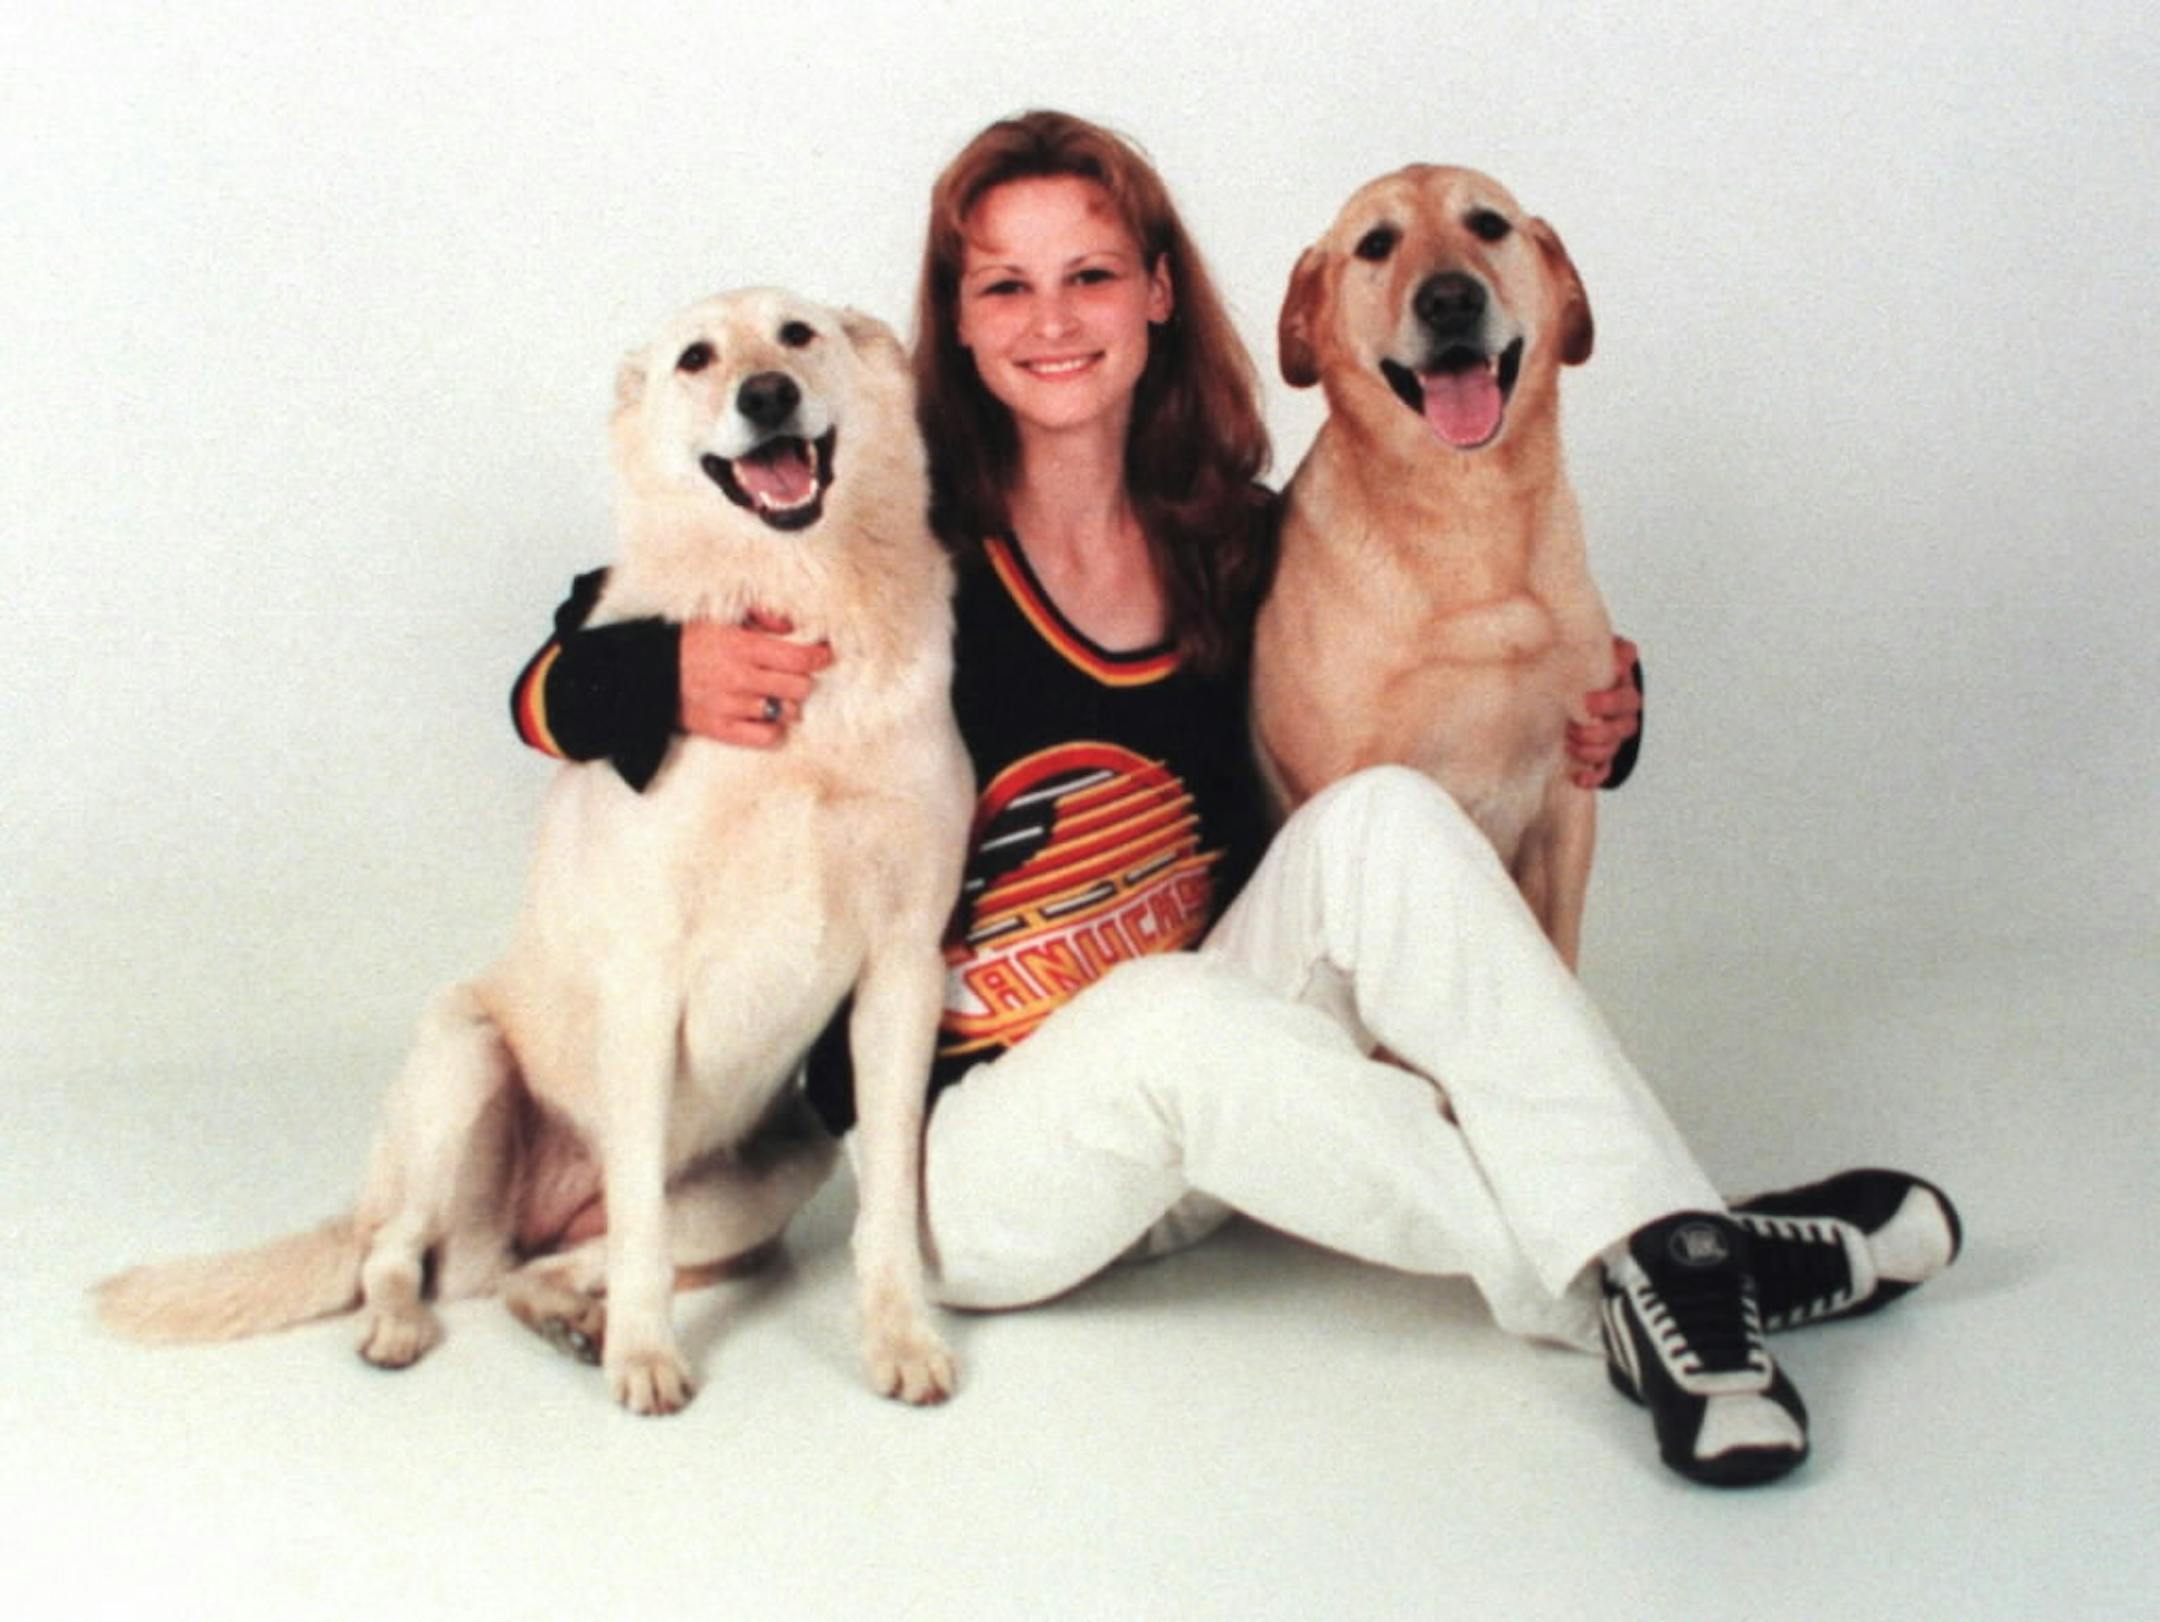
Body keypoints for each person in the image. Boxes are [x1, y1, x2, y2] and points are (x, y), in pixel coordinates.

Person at [508, 111, 1961, 1487]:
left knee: (1381, 815)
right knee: (1161, 1016)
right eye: (1006, 285)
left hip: (1230, 1108)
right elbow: (569, 660)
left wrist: (1601, 721)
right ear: (957, 320)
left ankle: (1658, 1250)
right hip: (974, 1174)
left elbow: (1454, 687)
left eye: (1090, 275)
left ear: (1156, 294)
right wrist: (659, 673)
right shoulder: (901, 542)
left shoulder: (1229, 540)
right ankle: (1670, 1263)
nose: (1052, 318)